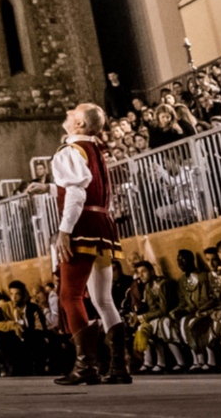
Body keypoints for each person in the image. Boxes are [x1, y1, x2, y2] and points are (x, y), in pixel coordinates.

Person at [44, 102, 130, 385]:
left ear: (80, 124)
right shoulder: (94, 150)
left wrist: (65, 230)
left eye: (73, 113)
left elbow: (77, 192)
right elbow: (85, 186)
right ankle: (119, 367)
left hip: (81, 226)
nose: (67, 113)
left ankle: (86, 366)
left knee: (70, 296)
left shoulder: (70, 150)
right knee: (103, 300)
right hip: (102, 224)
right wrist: (45, 188)